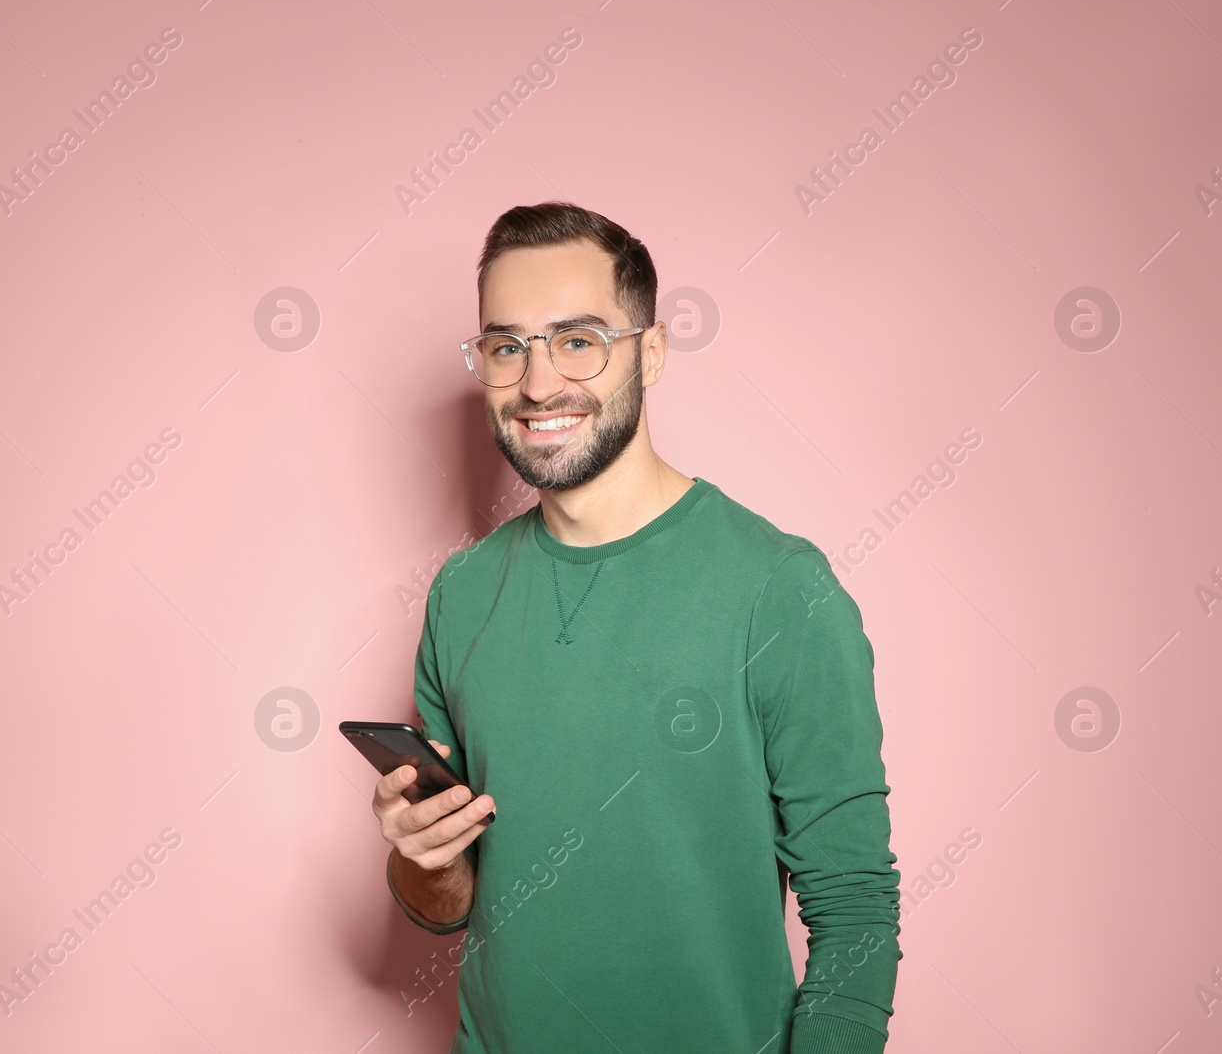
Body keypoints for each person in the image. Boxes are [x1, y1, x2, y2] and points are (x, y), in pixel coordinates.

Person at [369, 201, 901, 1053]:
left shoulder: (780, 588)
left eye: (577, 340)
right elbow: (447, 905)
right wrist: (421, 857)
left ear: (650, 354)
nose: (538, 383)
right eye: (507, 347)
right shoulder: (461, 594)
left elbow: (855, 909)